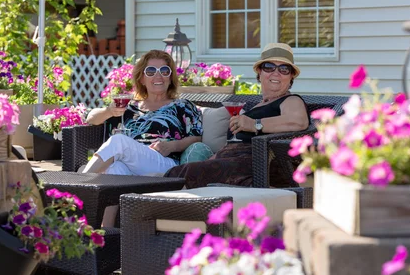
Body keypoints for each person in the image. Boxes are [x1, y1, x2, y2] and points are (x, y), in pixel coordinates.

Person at [164, 43, 309, 187]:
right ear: (260, 72)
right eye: (269, 67)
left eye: (284, 69)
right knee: (180, 173)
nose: (276, 73)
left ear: (291, 77)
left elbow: (298, 121)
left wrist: (254, 124)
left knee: (180, 174)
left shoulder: (290, 100)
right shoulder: (256, 106)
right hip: (233, 163)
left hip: (258, 164)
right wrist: (210, 161)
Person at [82, 49, 203, 176]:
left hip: (164, 164)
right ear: (141, 79)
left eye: (164, 71)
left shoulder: (182, 106)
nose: (158, 76)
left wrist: (173, 146)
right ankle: (119, 195)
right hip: (131, 163)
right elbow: (91, 118)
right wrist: (109, 111)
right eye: (150, 71)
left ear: (170, 78)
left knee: (118, 142)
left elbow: (197, 137)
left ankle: (78, 182)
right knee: (115, 167)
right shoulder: (128, 107)